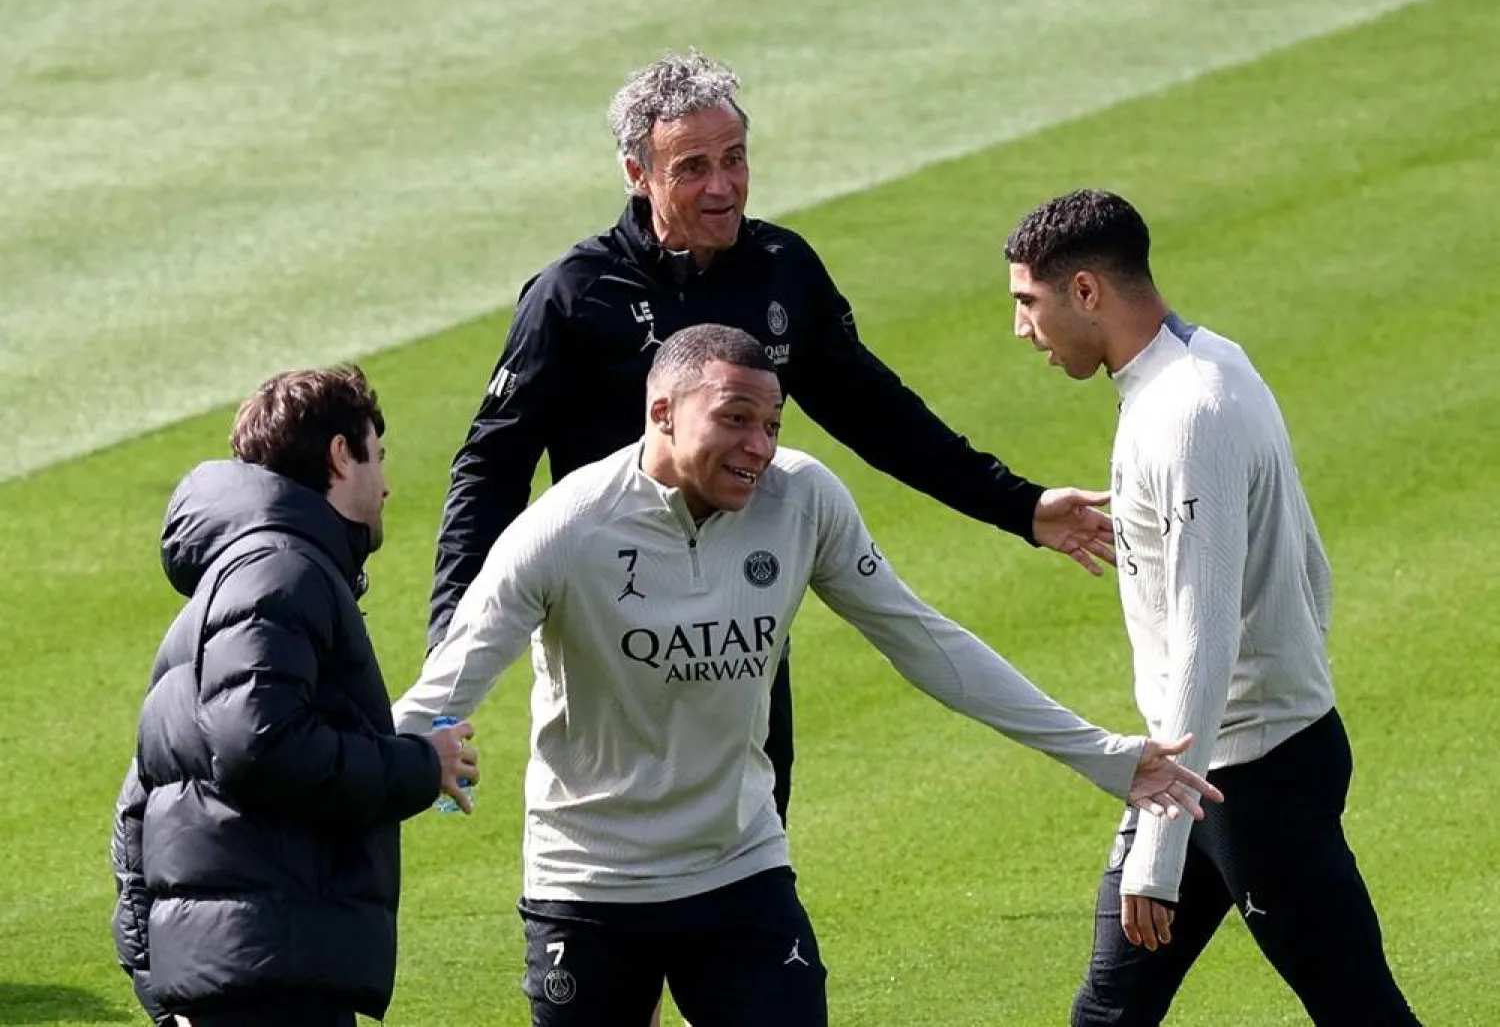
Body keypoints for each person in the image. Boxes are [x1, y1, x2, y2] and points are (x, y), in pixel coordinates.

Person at [392, 323, 1223, 1027]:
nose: (759, 447)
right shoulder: (566, 529)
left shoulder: (802, 500)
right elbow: (443, 689)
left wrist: (1106, 755)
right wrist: (366, 774)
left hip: (737, 871)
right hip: (589, 883)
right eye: (735, 419)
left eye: (773, 424)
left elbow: (926, 641)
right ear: (660, 412)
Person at [427, 49, 1117, 835]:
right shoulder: (574, 296)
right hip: (609, 624)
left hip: (740, 616)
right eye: (692, 167)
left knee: (750, 824)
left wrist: (1019, 506)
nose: (721, 186)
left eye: (734, 160)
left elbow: (876, 411)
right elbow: (493, 465)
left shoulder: (782, 270)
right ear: (635, 172)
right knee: (610, 828)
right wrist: (451, 657)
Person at [1003, 190, 1421, 1026]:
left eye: (1028, 302)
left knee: (1359, 1009)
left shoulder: (1187, 411)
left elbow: (1204, 632)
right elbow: (1308, 560)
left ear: (1086, 291)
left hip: (1246, 778)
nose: (1022, 329)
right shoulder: (1209, 363)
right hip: (1218, 764)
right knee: (1111, 1010)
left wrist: (1157, 846)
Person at [110, 366, 481, 1027]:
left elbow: (138, 799)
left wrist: (166, 979)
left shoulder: (242, 571)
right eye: (380, 455)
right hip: (269, 978)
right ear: (341, 454)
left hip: (245, 969)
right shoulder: (279, 569)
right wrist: (419, 765)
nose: (390, 484)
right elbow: (260, 742)